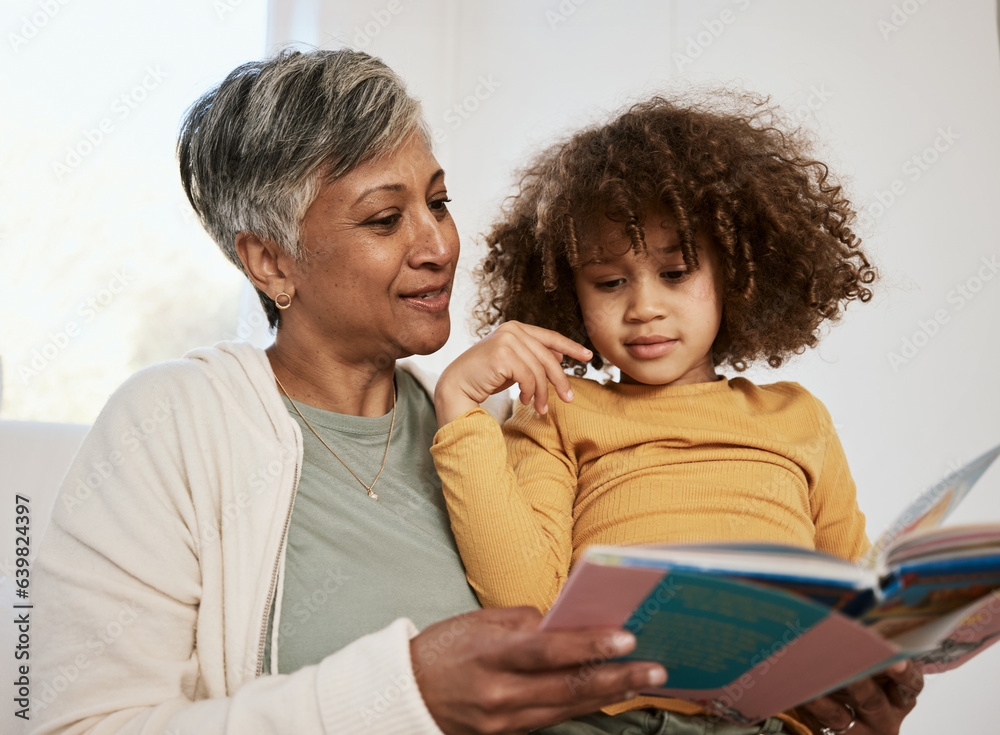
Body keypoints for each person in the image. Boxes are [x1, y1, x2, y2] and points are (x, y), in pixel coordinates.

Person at [28, 49, 669, 735]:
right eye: (385, 220)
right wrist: (406, 693)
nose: (438, 245)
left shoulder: (489, 426)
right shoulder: (170, 425)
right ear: (270, 261)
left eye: (439, 202)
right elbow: (82, 726)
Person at [430, 95, 924, 734]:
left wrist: (881, 674)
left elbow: (852, 615)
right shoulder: (557, 412)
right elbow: (522, 604)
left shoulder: (799, 420)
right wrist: (460, 409)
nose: (644, 308)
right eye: (610, 282)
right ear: (568, 292)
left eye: (675, 272)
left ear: (739, 273)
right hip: (606, 720)